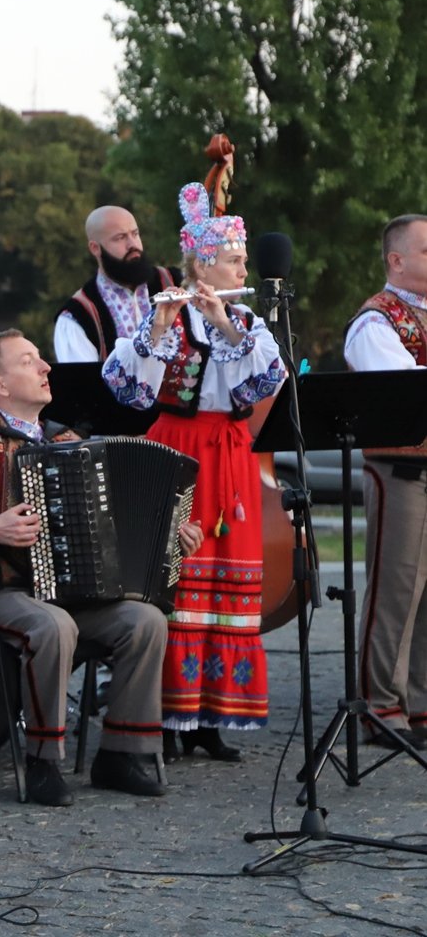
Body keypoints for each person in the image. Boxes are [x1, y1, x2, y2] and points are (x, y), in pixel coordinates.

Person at [0, 329, 177, 806]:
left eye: (41, 359)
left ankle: (121, 753)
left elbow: (113, 522)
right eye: (29, 361)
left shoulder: (71, 442)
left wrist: (170, 536)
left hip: (64, 592)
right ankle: (44, 760)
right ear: (0, 383)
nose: (46, 367)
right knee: (52, 627)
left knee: (144, 620)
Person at [101, 182, 285, 762]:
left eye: (243, 259)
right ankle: (169, 716)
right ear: (204, 262)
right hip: (177, 454)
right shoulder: (166, 313)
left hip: (230, 455)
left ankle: (212, 716)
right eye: (235, 259)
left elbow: (263, 383)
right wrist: (159, 327)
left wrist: (225, 323)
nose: (244, 266)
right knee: (176, 580)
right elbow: (129, 392)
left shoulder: (245, 317)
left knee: (228, 580)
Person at [344, 213, 427, 750]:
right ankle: (379, 704)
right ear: (396, 260)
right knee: (396, 590)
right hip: (401, 471)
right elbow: (403, 389)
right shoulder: (377, 321)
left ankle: (418, 702)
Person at [54, 206, 176, 363]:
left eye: (135, 234)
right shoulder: (77, 317)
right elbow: (83, 383)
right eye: (120, 238)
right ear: (95, 248)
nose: (133, 245)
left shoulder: (175, 281)